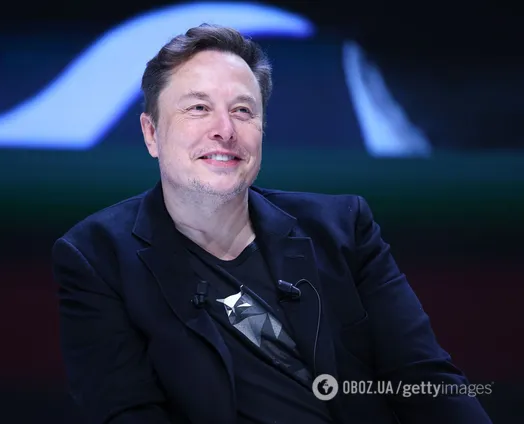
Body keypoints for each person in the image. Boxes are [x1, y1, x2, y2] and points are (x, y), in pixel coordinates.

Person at [52, 24, 492, 424]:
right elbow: (126, 412)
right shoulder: (97, 258)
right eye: (199, 108)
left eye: (243, 111)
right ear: (151, 133)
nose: (225, 130)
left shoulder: (343, 228)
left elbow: (425, 379)